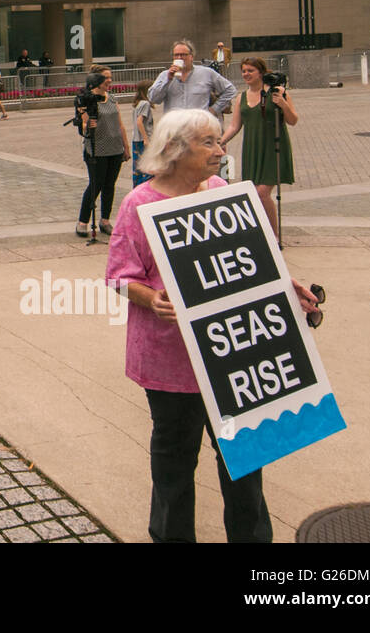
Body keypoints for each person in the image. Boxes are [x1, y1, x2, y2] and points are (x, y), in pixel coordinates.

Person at [106, 109, 319, 543]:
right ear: (175, 151)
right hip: (171, 360)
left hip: (232, 354)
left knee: (245, 458)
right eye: (209, 143)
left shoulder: (223, 192)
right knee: (175, 461)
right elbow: (118, 275)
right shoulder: (139, 205)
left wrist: (285, 283)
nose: (221, 151)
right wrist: (152, 298)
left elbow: (251, 259)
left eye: (220, 142)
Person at [220, 57, 298, 242]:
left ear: (261, 73)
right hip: (252, 148)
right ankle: (261, 233)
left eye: (250, 71)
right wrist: (219, 141)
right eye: (244, 70)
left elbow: (293, 120)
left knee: (262, 193)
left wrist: (282, 103)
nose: (246, 74)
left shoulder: (277, 92)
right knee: (254, 193)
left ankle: (273, 236)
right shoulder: (242, 97)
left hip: (273, 146)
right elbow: (234, 126)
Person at [75, 66, 126, 236]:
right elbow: (83, 125)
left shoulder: (111, 98)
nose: (109, 80)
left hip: (115, 148)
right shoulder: (87, 100)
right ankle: (83, 221)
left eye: (110, 77)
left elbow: (120, 125)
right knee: (95, 185)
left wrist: (125, 146)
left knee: (109, 185)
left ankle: (105, 220)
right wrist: (87, 124)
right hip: (97, 149)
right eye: (106, 77)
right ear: (96, 80)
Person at [147, 38, 237, 118]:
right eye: (176, 55)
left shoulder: (206, 73)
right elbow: (153, 99)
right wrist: (168, 80)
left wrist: (214, 109)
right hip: (174, 128)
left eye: (183, 55)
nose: (179, 58)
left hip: (198, 126)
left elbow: (230, 90)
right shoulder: (164, 75)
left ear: (191, 57)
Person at [131, 80, 155, 187]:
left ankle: (137, 188)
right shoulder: (145, 104)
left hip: (136, 139)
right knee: (146, 168)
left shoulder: (139, 104)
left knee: (138, 168)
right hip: (143, 140)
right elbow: (139, 121)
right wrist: (146, 138)